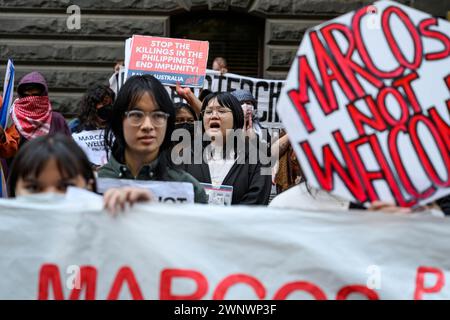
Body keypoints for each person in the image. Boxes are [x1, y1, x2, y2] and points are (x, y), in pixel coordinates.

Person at [98, 74, 208, 203]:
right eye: (136, 115)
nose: (147, 126)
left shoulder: (189, 188)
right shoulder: (93, 185)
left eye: (158, 115)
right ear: (119, 120)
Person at [8, 134, 152, 213]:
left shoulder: (110, 234)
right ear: (14, 189)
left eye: (66, 186)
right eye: (33, 188)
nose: (50, 197)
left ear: (88, 186)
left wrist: (142, 217)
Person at [180, 92, 272, 205]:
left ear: (236, 116)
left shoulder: (257, 160)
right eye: (208, 112)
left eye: (221, 111)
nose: (214, 116)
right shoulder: (187, 154)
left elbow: (256, 204)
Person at [12, 72, 70, 147]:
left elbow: (69, 150)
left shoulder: (57, 119)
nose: (31, 100)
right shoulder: (15, 119)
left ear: (43, 95)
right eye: (26, 96)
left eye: (35, 95)